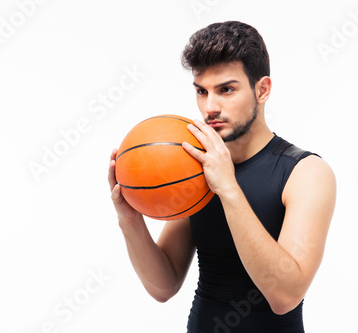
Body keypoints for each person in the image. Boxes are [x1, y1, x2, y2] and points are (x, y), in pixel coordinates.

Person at [108, 21, 336, 333]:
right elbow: (163, 287)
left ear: (262, 89)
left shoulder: (305, 172)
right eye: (201, 91)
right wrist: (130, 218)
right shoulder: (192, 168)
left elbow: (284, 296)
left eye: (226, 90)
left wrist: (228, 188)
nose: (210, 107)